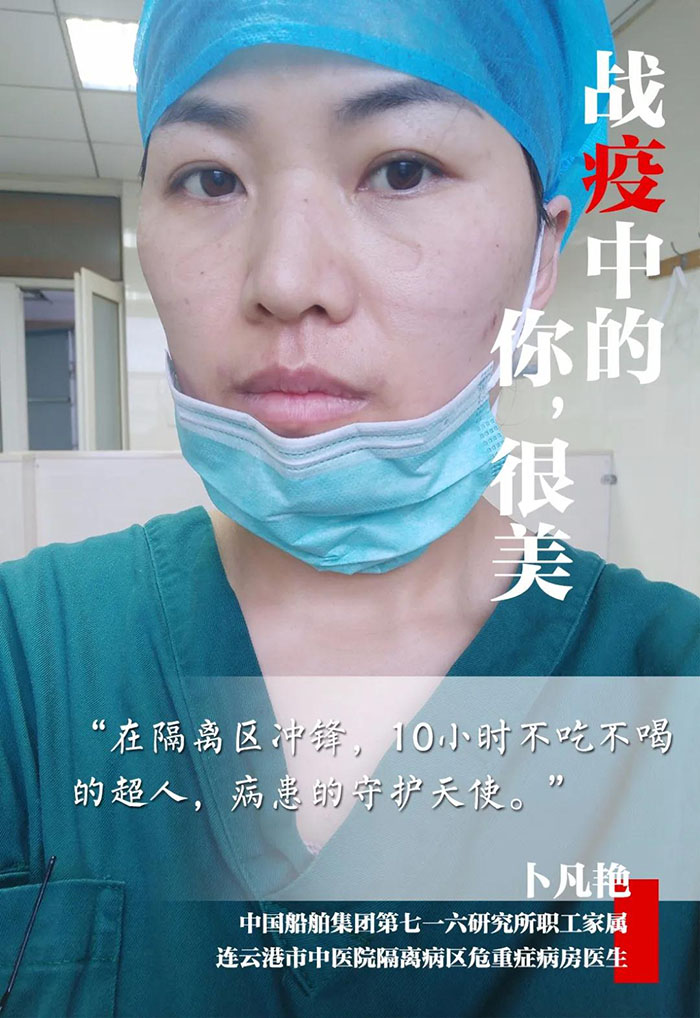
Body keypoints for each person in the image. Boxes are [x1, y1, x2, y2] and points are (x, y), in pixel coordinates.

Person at [0, 1, 698, 1016]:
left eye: (402, 168)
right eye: (211, 178)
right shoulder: (28, 666)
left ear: (542, 254)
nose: (287, 280)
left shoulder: (669, 690)